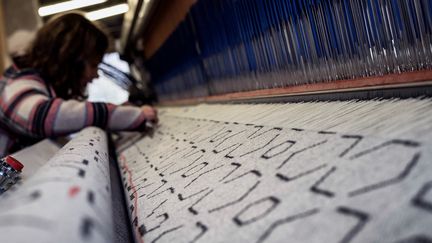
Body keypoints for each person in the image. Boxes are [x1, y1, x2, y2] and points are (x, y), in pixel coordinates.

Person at [0, 12, 158, 157]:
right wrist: (131, 116)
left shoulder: (37, 85)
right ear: (70, 60)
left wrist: (120, 111)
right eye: (93, 65)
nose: (96, 75)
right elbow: (43, 116)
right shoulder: (16, 84)